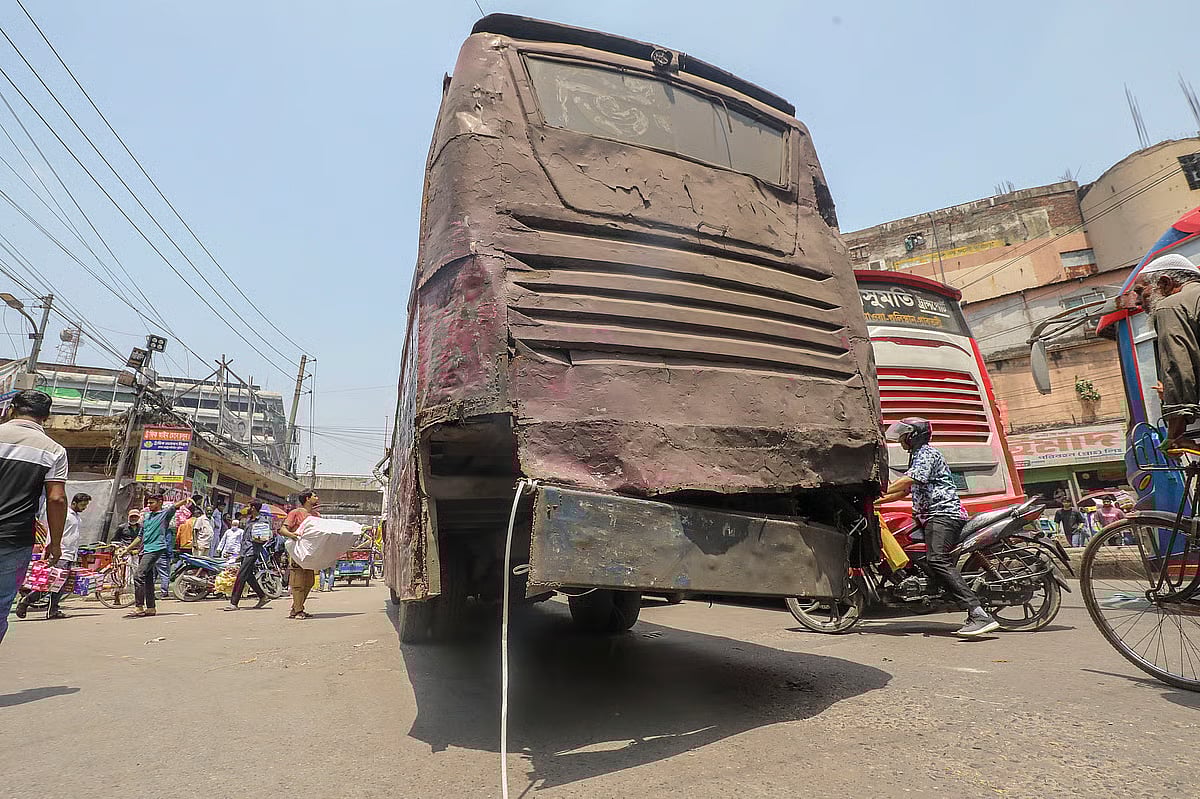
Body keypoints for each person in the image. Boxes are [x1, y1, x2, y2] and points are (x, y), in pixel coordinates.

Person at [877, 417, 1000, 637]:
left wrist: (880, 489)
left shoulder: (926, 453)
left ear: (914, 436)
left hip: (943, 514)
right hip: (929, 517)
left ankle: (978, 613)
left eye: (905, 435)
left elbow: (908, 481)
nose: (902, 439)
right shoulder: (916, 456)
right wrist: (875, 501)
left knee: (937, 559)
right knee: (923, 557)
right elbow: (903, 492)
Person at [0, 390, 68, 644]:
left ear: (11, 409)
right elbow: (56, 498)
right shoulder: (54, 450)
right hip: (14, 539)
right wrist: (56, 542)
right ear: (46, 417)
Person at [1133, 254, 1200, 443]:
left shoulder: (1170, 306)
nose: (1138, 301)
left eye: (1140, 291)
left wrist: (1175, 434)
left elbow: (1178, 367)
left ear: (1165, 283)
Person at [16, 492, 91, 620]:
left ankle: (53, 610)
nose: (84, 508)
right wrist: (49, 550)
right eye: (82, 505)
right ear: (74, 503)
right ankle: (28, 601)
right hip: (61, 554)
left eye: (85, 506)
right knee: (53, 583)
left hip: (69, 554)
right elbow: (53, 533)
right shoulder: (65, 515)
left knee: (58, 585)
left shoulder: (76, 517)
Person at [118, 491, 187, 618]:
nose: (149, 505)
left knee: (138, 576)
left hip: (156, 548)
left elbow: (174, 507)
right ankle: (151, 608)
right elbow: (140, 536)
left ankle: (139, 607)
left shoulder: (164, 514)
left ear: (160, 503)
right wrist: (127, 549)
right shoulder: (147, 517)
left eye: (151, 502)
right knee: (148, 579)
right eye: (148, 502)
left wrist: (187, 500)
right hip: (144, 549)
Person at [223, 500, 272, 611]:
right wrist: (241, 553)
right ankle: (263, 597)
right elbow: (245, 538)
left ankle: (233, 603)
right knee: (248, 576)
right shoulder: (250, 520)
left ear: (253, 508)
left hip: (252, 551)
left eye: (249, 506)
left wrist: (258, 540)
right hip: (245, 551)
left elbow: (264, 538)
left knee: (241, 575)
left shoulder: (262, 521)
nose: (246, 508)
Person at [279, 490, 320, 619]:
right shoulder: (295, 513)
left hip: (310, 552)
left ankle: (296, 608)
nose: (316, 498)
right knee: (298, 581)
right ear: (307, 498)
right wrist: (292, 535)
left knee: (309, 581)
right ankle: (298, 611)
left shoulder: (316, 515)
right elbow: (283, 529)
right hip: (297, 551)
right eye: (314, 496)